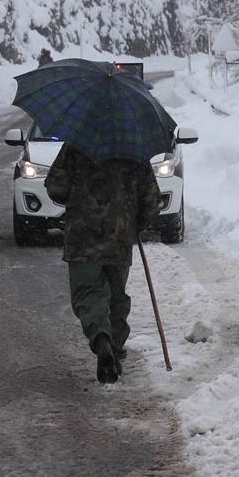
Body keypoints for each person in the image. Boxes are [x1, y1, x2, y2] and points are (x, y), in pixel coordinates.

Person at [44, 142, 161, 384]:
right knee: (117, 294)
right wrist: (134, 223)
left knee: (88, 292)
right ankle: (115, 349)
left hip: (82, 235)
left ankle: (102, 340)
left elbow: (55, 187)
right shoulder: (135, 150)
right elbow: (151, 200)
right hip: (119, 236)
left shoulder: (76, 144)